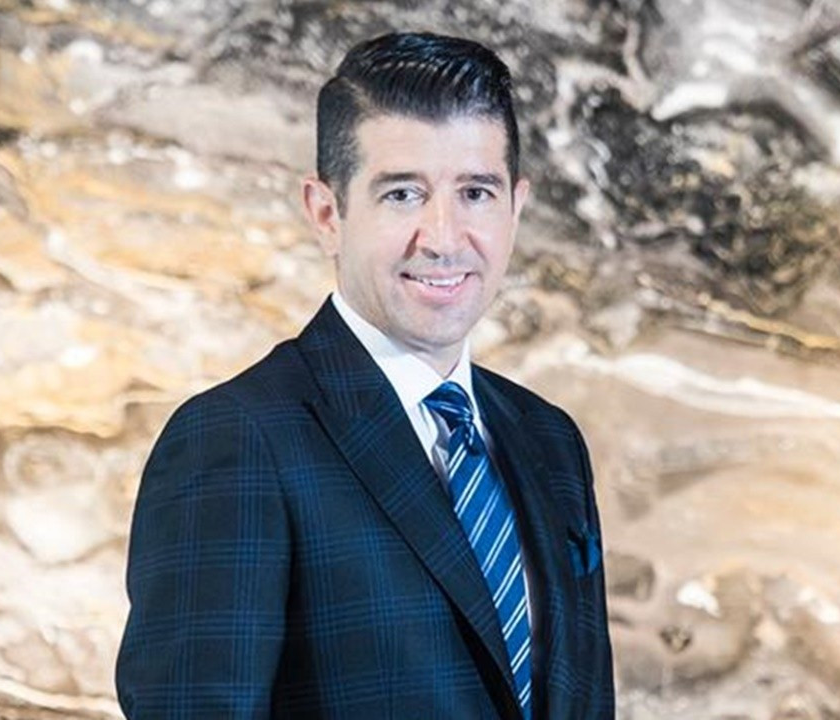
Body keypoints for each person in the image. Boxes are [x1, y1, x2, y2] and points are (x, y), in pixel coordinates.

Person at [116, 31, 615, 719]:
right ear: (327, 214)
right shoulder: (237, 440)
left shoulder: (550, 441)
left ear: (516, 207)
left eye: (476, 192)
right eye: (403, 194)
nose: (444, 238)